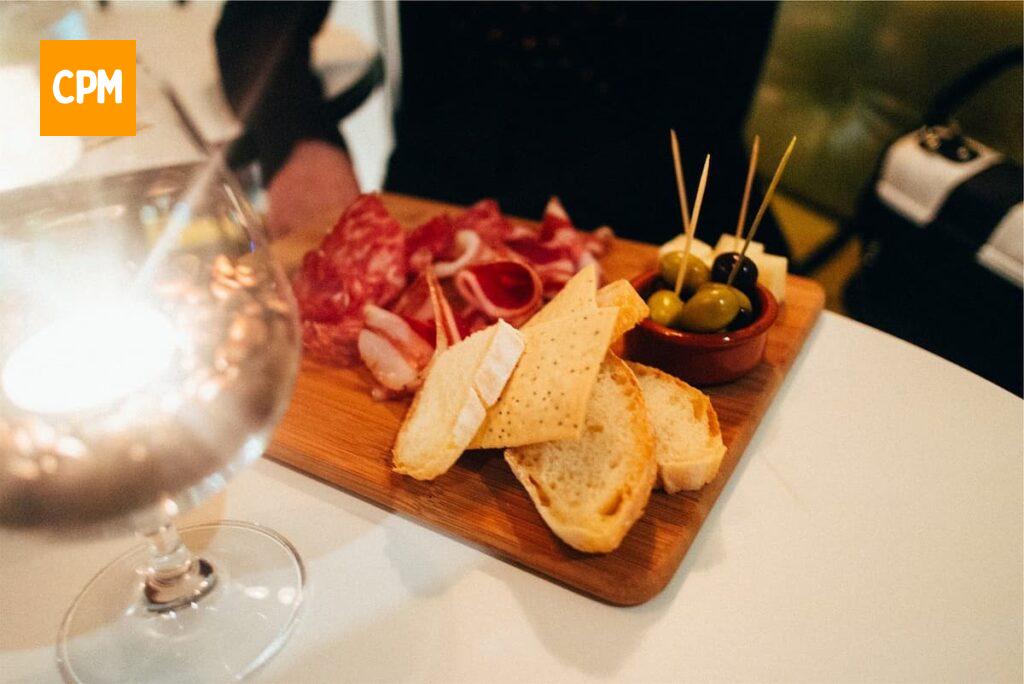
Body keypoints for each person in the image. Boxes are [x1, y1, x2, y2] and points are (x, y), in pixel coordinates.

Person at [216, 1, 786, 253]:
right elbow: (255, 22)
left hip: (669, 211)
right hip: (443, 199)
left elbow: (715, 80)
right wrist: (301, 145)